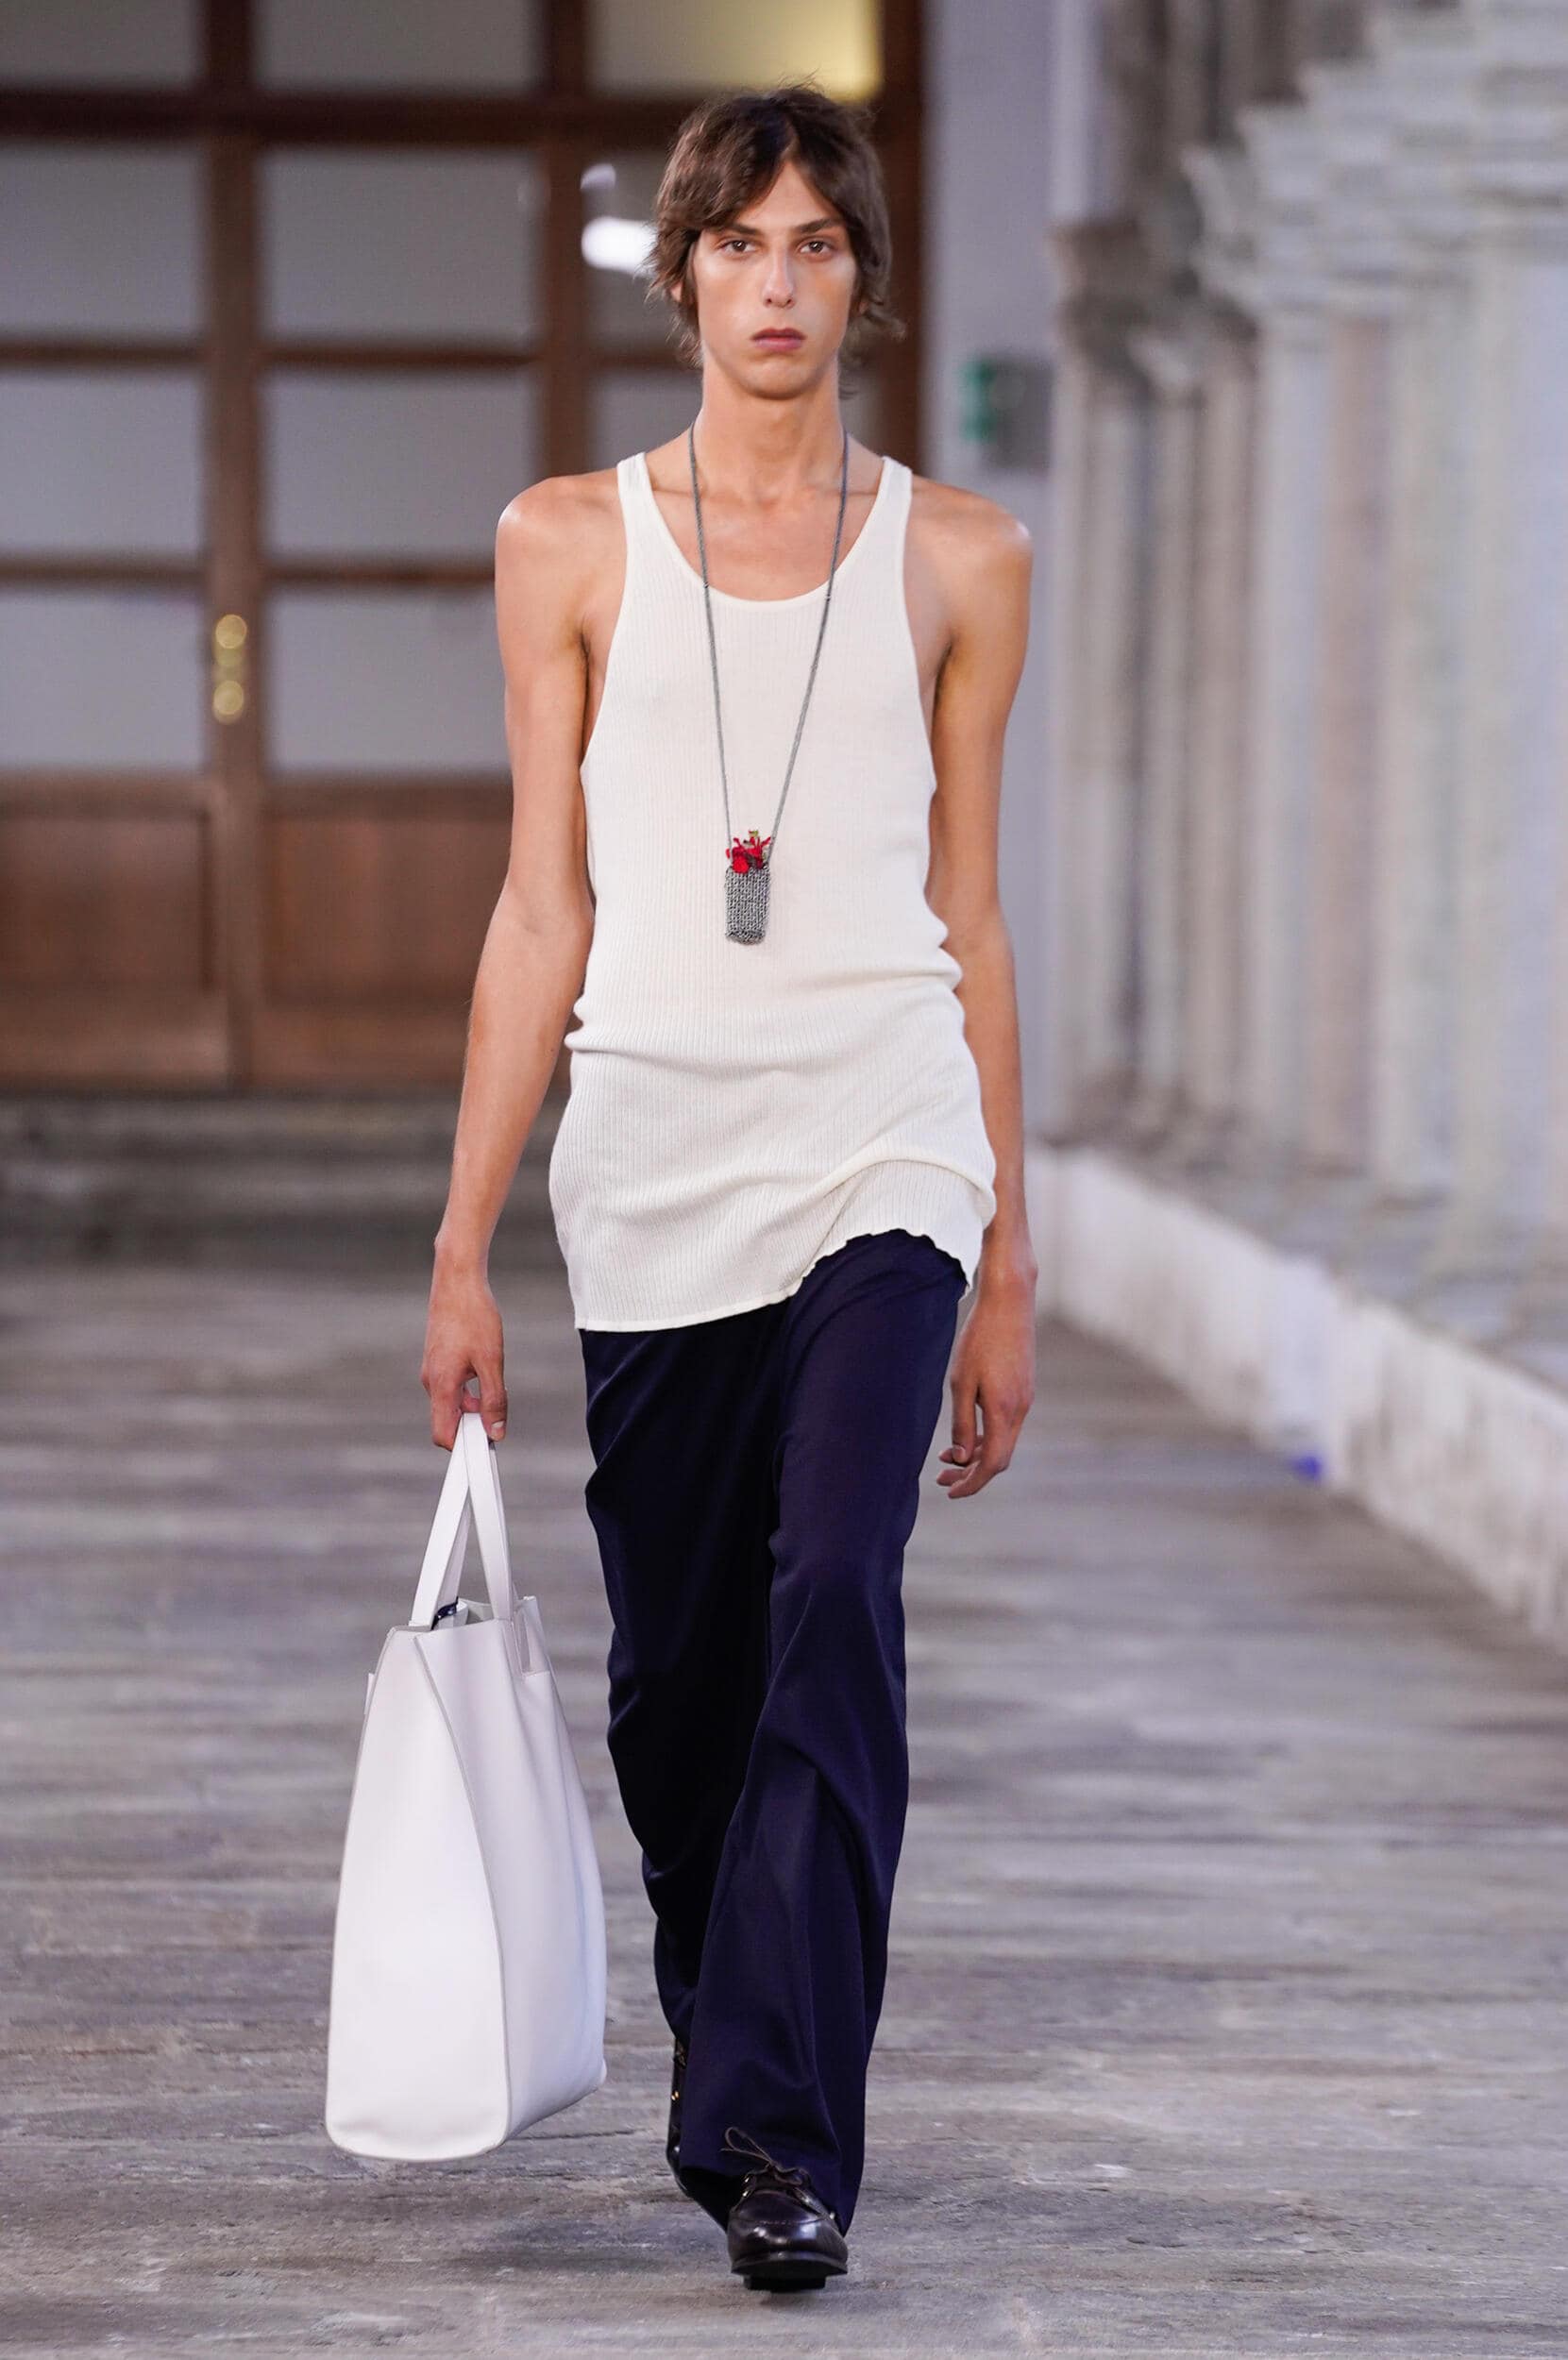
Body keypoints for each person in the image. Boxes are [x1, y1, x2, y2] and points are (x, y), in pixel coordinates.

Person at [422, 79, 1037, 2294]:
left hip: (886, 1139)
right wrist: (461, 1242)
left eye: (818, 244)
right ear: (681, 274)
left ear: (864, 282)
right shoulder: (565, 543)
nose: (779, 284)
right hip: (657, 1159)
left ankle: (790, 2133)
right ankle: (731, 2043)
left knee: (836, 1594)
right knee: (680, 1691)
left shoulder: (964, 557)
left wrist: (1006, 1250)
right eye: (741, 243)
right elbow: (541, 907)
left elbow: (969, 907)